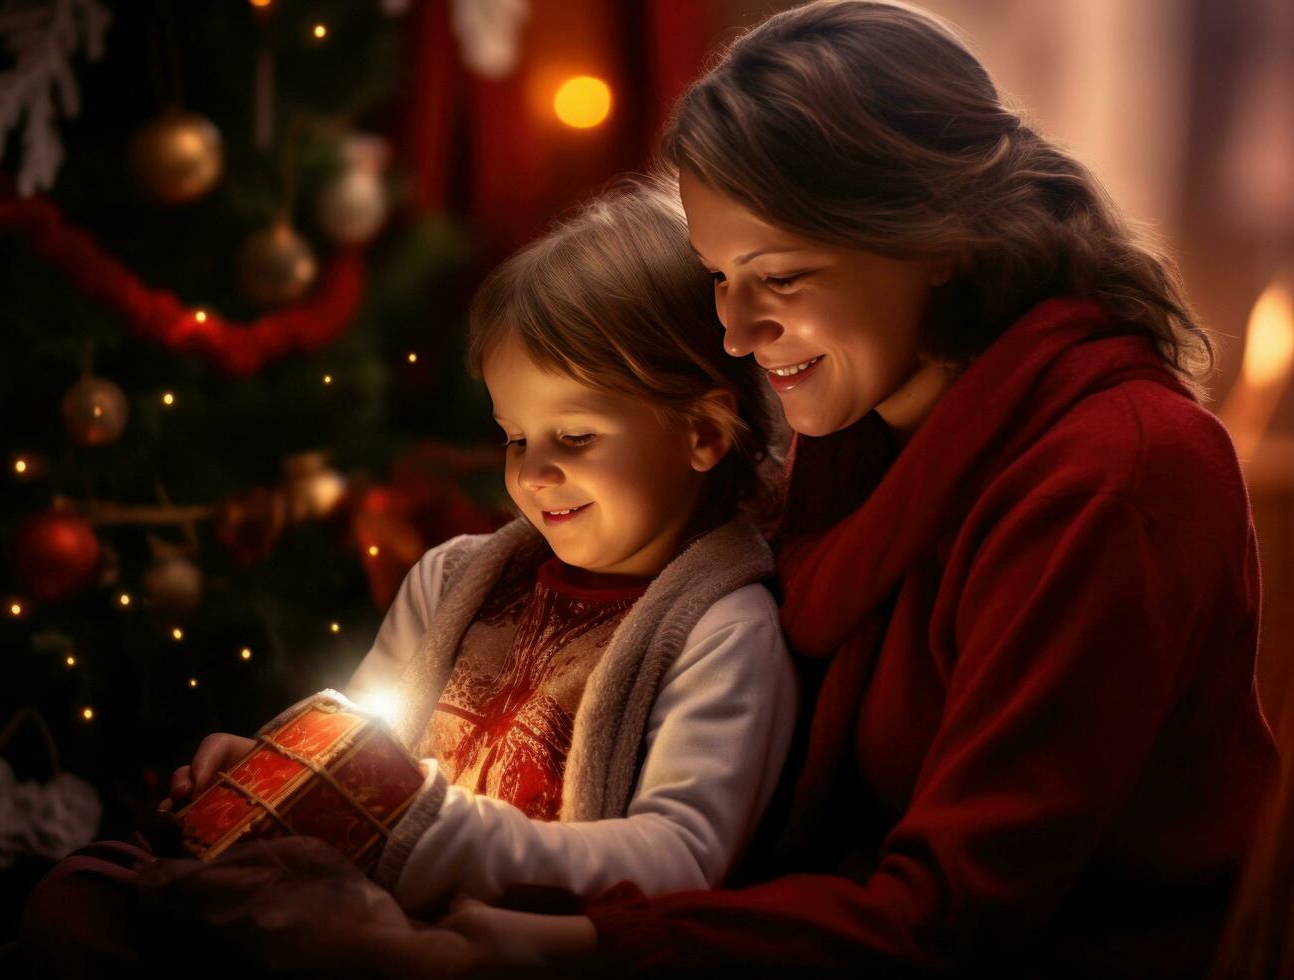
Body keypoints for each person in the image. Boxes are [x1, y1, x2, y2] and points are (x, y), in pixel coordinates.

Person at [424, 1, 1281, 976]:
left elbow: (951, 917)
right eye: (719, 277)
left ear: (941, 239)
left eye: (780, 276)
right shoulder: (849, 446)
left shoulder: (1116, 476)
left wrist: (557, 948)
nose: (737, 332)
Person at [15, 181, 797, 975]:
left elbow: (680, 861)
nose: (532, 475)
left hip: (474, 950)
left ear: (700, 434)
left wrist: (431, 834)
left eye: (573, 436)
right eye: (514, 437)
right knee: (87, 887)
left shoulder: (719, 631)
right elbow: (358, 748)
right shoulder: (453, 579)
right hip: (354, 898)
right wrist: (269, 777)